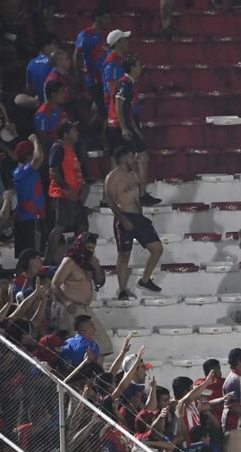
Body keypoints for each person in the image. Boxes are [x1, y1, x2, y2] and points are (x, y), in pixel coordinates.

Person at [105, 146, 163, 299]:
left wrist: (140, 165)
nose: (134, 158)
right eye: (131, 156)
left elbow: (141, 192)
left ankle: (145, 280)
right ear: (124, 159)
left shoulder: (133, 174)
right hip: (123, 217)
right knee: (124, 255)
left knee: (157, 248)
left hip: (138, 217)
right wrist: (123, 219)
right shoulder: (112, 177)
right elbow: (110, 201)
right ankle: (123, 290)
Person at [107, 54, 160, 207]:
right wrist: (124, 128)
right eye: (138, 65)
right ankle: (138, 194)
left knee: (137, 158)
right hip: (117, 126)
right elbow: (118, 105)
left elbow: (127, 109)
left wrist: (134, 128)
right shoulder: (124, 83)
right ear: (132, 68)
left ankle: (136, 193)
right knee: (140, 157)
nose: (140, 68)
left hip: (122, 125)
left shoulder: (129, 83)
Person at [50, 231, 112, 355]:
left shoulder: (89, 262)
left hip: (85, 310)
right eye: (88, 247)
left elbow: (100, 281)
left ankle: (96, 372)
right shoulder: (69, 261)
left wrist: (97, 268)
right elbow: (54, 284)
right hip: (71, 309)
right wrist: (66, 302)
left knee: (103, 345)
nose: (91, 251)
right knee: (77, 348)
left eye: (93, 248)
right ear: (81, 245)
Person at [46, 120, 86, 263]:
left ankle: (78, 256)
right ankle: (49, 258)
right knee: (60, 226)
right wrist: (67, 190)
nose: (77, 133)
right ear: (65, 134)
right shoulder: (58, 148)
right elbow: (54, 171)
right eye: (74, 131)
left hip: (74, 195)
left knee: (81, 224)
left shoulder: (70, 148)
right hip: (63, 195)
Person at [12, 135, 46, 257]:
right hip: (32, 217)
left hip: (24, 218)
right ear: (28, 156)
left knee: (25, 256)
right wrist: (35, 140)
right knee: (34, 255)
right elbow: (39, 157)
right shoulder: (26, 171)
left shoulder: (17, 171)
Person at [73, 8, 111, 115]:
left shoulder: (106, 36)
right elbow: (77, 55)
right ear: (97, 18)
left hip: (105, 79)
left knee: (106, 110)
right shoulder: (85, 34)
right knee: (104, 111)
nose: (108, 21)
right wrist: (78, 76)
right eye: (106, 18)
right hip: (93, 80)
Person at [102, 29, 130, 118]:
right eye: (124, 40)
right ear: (117, 43)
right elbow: (112, 89)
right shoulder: (112, 63)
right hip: (116, 108)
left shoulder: (119, 60)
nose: (127, 42)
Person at [34, 81, 68, 151]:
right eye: (62, 92)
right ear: (53, 94)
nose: (64, 94)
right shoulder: (41, 115)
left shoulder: (60, 108)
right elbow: (43, 143)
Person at [26, 33, 60, 103]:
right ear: (46, 45)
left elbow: (30, 90)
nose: (57, 46)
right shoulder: (56, 62)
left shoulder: (31, 63)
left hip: (42, 107)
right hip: (56, 106)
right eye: (55, 43)